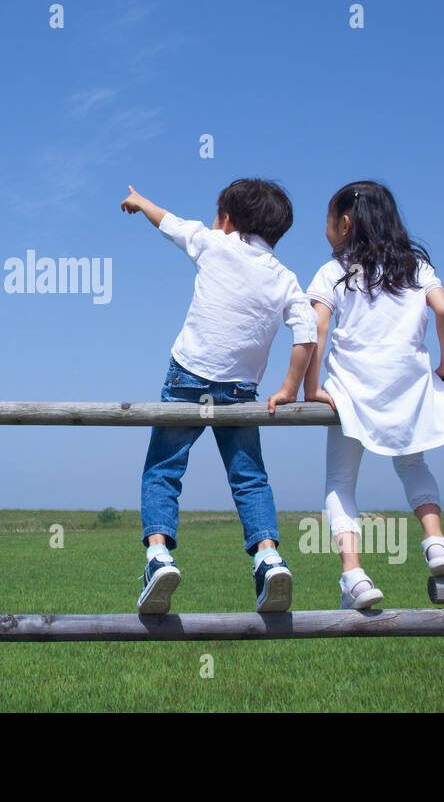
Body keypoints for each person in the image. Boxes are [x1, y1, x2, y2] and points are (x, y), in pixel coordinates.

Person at [120, 179, 317, 614]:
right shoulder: (285, 278)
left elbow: (167, 222)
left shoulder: (213, 244)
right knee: (249, 479)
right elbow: (307, 331)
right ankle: (268, 558)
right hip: (241, 393)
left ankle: (158, 556)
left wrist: (138, 201)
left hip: (186, 379)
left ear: (228, 221)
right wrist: (290, 388)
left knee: (162, 471)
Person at [289, 180, 444, 610]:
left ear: (345, 223)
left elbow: (317, 328)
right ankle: (437, 544)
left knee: (339, 482)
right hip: (407, 388)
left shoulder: (333, 272)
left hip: (352, 392)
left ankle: (354, 576)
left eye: (328, 223)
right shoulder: (415, 269)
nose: (326, 232)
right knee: (413, 466)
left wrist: (310, 388)